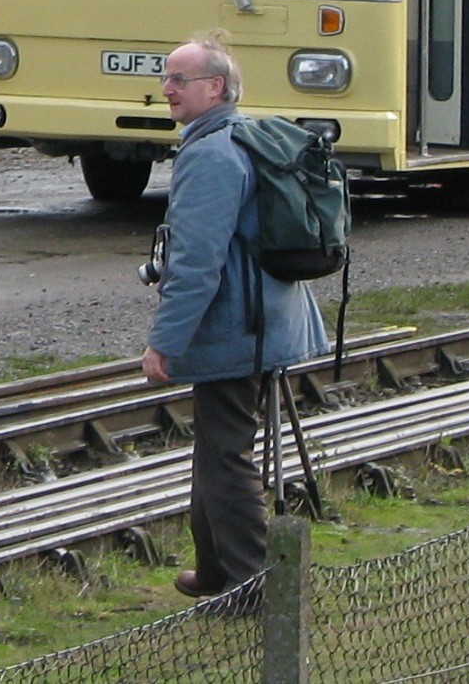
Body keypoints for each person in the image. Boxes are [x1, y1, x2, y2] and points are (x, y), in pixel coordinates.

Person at [140, 35, 329, 601]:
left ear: (216, 87)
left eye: (180, 79)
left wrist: (164, 342)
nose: (167, 89)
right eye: (166, 78)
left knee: (226, 456)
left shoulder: (210, 156)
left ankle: (254, 586)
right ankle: (216, 572)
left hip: (238, 327)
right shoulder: (243, 137)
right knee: (216, 449)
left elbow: (195, 264)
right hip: (270, 317)